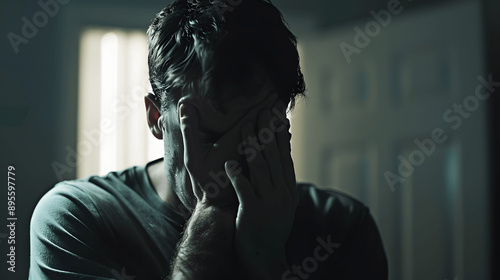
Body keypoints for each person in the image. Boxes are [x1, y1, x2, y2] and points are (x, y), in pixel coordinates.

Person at [29, 0, 388, 279]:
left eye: (258, 135)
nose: (234, 164)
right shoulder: (74, 219)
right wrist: (213, 212)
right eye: (212, 136)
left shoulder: (343, 229)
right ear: (156, 118)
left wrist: (266, 263)